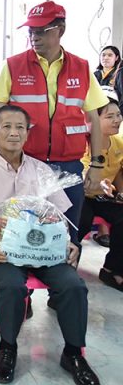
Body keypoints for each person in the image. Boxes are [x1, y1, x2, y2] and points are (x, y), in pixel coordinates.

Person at [0, 105, 99, 385]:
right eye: (6, 126)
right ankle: (8, 347)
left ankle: (73, 352)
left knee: (73, 285)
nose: (14, 133)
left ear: (28, 134)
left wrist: (68, 242)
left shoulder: (41, 171)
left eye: (20, 127)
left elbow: (60, 215)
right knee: (12, 286)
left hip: (42, 244)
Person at [0, 1, 108, 242]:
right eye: (31, 31)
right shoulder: (12, 66)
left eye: (41, 31)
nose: (34, 37)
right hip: (24, 164)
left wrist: (97, 166)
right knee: (21, 235)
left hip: (69, 168)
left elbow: (94, 120)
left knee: (66, 235)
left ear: (60, 30)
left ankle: (66, 266)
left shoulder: (81, 68)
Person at [78, 94, 123, 290]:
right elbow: (82, 179)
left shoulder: (119, 143)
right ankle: (64, 270)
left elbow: (119, 171)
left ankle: (112, 270)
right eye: (109, 116)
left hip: (105, 197)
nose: (117, 120)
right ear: (93, 121)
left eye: (118, 115)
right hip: (82, 196)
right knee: (80, 221)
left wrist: (120, 193)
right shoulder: (83, 144)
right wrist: (99, 184)